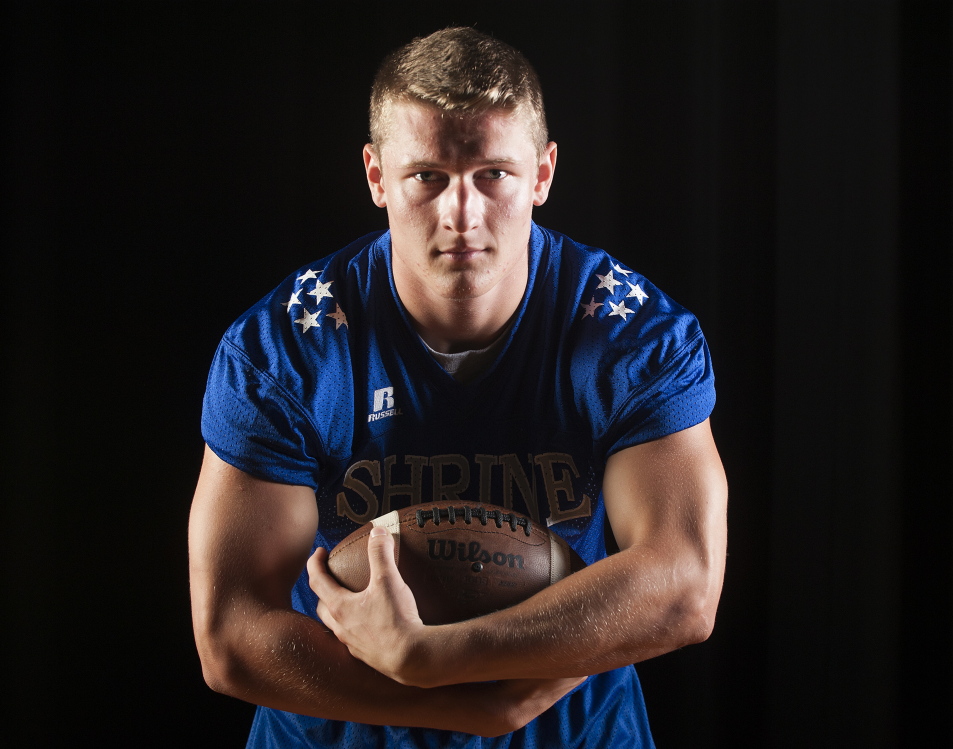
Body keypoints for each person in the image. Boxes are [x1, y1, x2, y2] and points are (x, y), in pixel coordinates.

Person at [189, 26, 727, 749]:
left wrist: (438, 658)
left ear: (543, 173)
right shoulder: (287, 349)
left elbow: (685, 583)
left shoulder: (629, 335)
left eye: (494, 175)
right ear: (377, 176)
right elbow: (231, 632)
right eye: (428, 176)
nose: (462, 215)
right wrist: (465, 707)